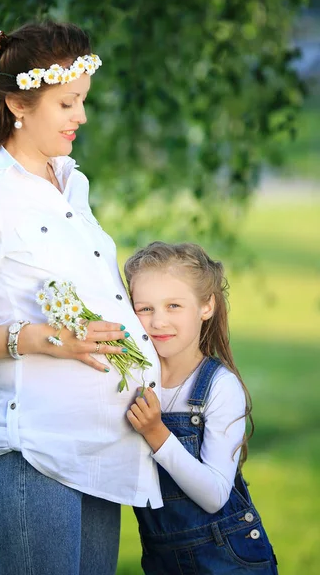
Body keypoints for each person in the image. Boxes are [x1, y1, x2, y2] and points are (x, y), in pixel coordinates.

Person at [0, 21, 163, 575]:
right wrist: (38, 339)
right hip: (31, 457)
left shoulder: (72, 185)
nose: (82, 117)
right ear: (20, 104)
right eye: (68, 103)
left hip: (100, 451)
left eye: (83, 102)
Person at [123, 241, 278, 574]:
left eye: (174, 305)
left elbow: (215, 495)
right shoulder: (130, 377)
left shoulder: (219, 387)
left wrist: (156, 433)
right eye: (145, 308)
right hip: (161, 558)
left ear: (206, 306)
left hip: (228, 559)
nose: (157, 322)